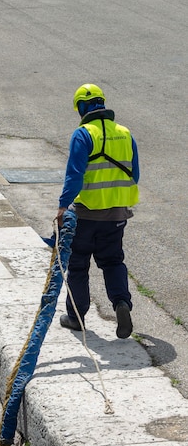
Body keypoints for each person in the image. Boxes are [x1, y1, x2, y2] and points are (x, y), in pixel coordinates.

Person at [57, 83, 140, 339]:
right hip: (116, 215)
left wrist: (62, 206)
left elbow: (75, 175)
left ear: (81, 107)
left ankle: (76, 317)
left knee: (79, 265)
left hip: (85, 214)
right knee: (113, 261)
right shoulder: (125, 134)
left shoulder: (83, 134)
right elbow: (134, 175)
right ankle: (121, 304)